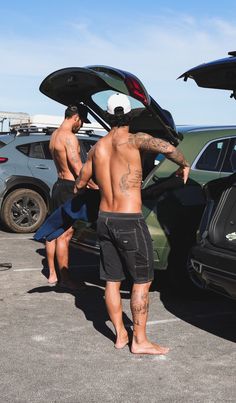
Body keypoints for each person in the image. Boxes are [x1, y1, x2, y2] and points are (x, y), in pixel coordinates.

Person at [74, 93, 190, 355]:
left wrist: (92, 185)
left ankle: (120, 335)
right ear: (130, 115)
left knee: (112, 281)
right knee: (142, 281)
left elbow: (80, 183)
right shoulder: (135, 140)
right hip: (129, 221)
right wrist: (184, 165)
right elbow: (168, 148)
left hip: (104, 219)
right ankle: (139, 341)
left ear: (106, 115)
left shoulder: (97, 147)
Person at [46, 104, 90, 288]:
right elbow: (77, 166)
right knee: (65, 233)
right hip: (70, 188)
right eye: (81, 122)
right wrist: (92, 184)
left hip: (58, 185)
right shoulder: (70, 137)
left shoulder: (54, 135)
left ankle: (52, 274)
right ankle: (65, 279)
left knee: (53, 232)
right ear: (76, 118)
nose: (81, 126)